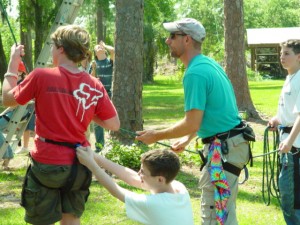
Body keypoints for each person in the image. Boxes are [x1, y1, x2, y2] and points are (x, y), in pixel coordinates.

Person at [136, 18, 251, 225]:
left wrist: (156, 135)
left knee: (215, 217)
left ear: (186, 39)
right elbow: (206, 115)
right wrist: (188, 139)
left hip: (222, 152)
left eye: (172, 36)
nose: (167, 41)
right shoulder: (207, 64)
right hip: (229, 146)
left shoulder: (195, 73)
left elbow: (192, 123)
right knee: (223, 214)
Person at [2, 25, 120, 225]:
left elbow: (8, 99)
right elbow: (113, 124)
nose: (51, 49)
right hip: (80, 164)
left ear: (61, 49)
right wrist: (83, 107)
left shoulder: (41, 76)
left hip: (47, 163)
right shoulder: (94, 84)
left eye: (52, 45)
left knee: (41, 220)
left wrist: (13, 64)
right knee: (72, 220)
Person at [76, 147, 194, 225]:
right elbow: (132, 178)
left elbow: (116, 191)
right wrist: (96, 157)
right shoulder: (179, 188)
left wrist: (91, 164)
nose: (139, 174)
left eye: (143, 172)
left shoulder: (154, 204)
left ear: (160, 179)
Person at [268, 39, 300, 225]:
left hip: (294, 147)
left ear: (299, 56)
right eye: (281, 53)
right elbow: (288, 113)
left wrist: (289, 142)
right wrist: (276, 119)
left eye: (286, 53)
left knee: (291, 199)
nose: (282, 57)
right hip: (288, 145)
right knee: (289, 196)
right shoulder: (290, 78)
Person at [92, 40, 115, 152]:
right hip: (98, 95)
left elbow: (113, 51)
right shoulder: (94, 63)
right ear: (95, 53)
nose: (99, 48)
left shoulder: (110, 61)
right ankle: (99, 147)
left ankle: (113, 143)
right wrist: (94, 69)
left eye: (101, 48)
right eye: (97, 48)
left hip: (111, 93)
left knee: (113, 119)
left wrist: (104, 45)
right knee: (98, 123)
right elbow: (91, 79)